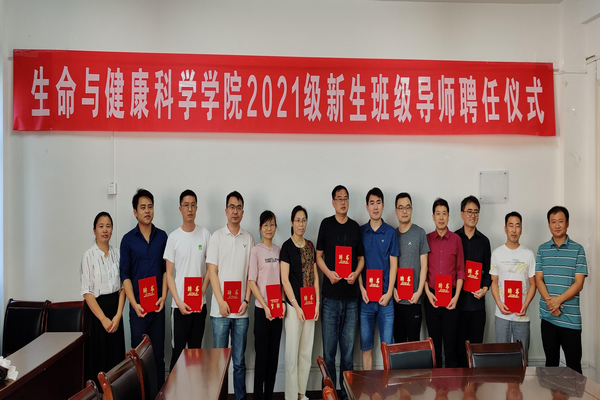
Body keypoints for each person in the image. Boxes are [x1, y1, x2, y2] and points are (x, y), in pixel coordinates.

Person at [317, 185, 364, 400]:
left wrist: (355, 273)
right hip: (330, 299)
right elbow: (319, 256)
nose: (343, 202)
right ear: (333, 202)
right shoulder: (326, 225)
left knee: (347, 355)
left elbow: (361, 259)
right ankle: (331, 395)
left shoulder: (355, 227)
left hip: (351, 299)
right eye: (339, 198)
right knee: (329, 354)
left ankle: (346, 395)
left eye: (346, 198)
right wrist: (328, 273)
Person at [207, 191, 255, 400]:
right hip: (220, 311)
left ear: (243, 212)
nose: (235, 211)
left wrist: (246, 300)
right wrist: (220, 301)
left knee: (239, 361)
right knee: (219, 362)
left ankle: (240, 397)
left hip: (241, 311)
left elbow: (251, 274)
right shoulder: (216, 237)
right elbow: (212, 271)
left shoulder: (249, 238)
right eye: (232, 207)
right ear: (226, 210)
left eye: (239, 207)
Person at [120, 189, 168, 386]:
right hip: (138, 310)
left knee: (158, 357)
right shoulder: (128, 240)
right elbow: (125, 275)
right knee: (138, 359)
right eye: (142, 207)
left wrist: (164, 297)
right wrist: (134, 303)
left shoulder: (162, 237)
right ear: (135, 212)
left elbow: (166, 271)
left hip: (157, 308)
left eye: (150, 206)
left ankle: (160, 395)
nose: (147, 211)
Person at [535, 206, 587, 373]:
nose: (557, 225)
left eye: (561, 221)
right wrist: (551, 303)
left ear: (567, 223)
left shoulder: (578, 249)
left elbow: (579, 283)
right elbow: (538, 279)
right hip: (548, 317)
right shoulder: (542, 249)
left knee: (574, 367)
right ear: (549, 225)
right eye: (553, 222)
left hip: (570, 319)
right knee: (551, 365)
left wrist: (558, 301)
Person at [164, 189, 211, 371]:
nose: (189, 209)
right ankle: (175, 388)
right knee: (177, 353)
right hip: (180, 307)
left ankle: (194, 388)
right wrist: (178, 301)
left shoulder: (205, 234)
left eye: (192, 205)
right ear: (180, 209)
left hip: (199, 306)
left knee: (195, 353)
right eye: (186, 205)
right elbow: (169, 274)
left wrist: (201, 294)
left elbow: (210, 270)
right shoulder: (173, 238)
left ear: (196, 208)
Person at [81, 211, 126, 386]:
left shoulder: (118, 254)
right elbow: (87, 292)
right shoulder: (89, 255)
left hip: (115, 311)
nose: (105, 230)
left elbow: (123, 287)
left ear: (112, 230)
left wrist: (118, 315)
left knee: (115, 359)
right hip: (96, 313)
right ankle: (98, 394)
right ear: (94, 230)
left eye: (108, 226)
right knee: (98, 358)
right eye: (101, 226)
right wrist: (103, 319)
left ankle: (115, 393)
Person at [280, 206, 320, 400]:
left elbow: (315, 276)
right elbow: (285, 280)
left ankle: (301, 393)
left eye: (304, 220)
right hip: (293, 307)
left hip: (310, 305)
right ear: (291, 222)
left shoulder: (310, 246)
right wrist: (296, 306)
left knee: (305, 353)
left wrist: (317, 302)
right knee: (292, 356)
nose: (301, 224)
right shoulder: (286, 247)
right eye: (298, 220)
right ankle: (290, 396)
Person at [359, 188, 398, 370]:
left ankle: (387, 387)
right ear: (367, 207)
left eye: (378, 203)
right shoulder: (361, 231)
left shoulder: (390, 232)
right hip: (366, 299)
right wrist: (361, 288)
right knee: (366, 348)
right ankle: (367, 386)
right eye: (372, 203)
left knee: (387, 349)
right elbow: (358, 263)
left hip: (385, 299)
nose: (375, 207)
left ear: (383, 205)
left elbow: (394, 264)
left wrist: (389, 293)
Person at [490, 212, 536, 363]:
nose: (514, 230)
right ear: (505, 229)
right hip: (501, 315)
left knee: (521, 359)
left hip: (522, 316)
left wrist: (526, 305)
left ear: (521, 229)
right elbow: (494, 282)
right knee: (501, 358)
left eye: (517, 226)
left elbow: (533, 283)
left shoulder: (528, 254)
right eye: (511, 225)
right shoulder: (497, 253)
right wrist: (499, 303)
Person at [424, 198, 464, 368]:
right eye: (438, 214)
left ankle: (451, 380)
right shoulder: (426, 239)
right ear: (433, 217)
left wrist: (456, 297)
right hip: (431, 295)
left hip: (451, 297)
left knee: (451, 344)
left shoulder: (456, 240)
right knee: (434, 345)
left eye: (444, 214)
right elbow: (423, 270)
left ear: (449, 216)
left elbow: (461, 270)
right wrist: (427, 292)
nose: (441, 217)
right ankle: (436, 382)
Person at [248, 211, 282, 400]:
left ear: (276, 227)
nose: (269, 228)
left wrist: (281, 304)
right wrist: (266, 306)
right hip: (263, 312)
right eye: (266, 225)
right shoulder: (256, 251)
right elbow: (252, 282)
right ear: (260, 228)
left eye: (272, 224)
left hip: (277, 313)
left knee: (273, 361)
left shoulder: (279, 251)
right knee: (261, 360)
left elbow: (283, 281)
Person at [455, 195, 491, 367]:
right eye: (469, 211)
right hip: (458, 304)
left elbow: (488, 271)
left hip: (477, 305)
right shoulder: (454, 238)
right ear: (462, 214)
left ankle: (475, 383)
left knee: (476, 349)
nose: (472, 215)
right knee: (459, 350)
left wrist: (485, 289)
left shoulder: (484, 241)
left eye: (476, 212)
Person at [393, 192, 430, 343]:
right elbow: (389, 266)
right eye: (401, 208)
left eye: (407, 207)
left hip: (414, 300)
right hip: (396, 300)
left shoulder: (419, 233)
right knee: (399, 345)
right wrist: (393, 289)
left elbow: (424, 265)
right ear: (396, 211)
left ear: (412, 209)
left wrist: (419, 291)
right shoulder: (392, 235)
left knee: (414, 344)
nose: (404, 211)